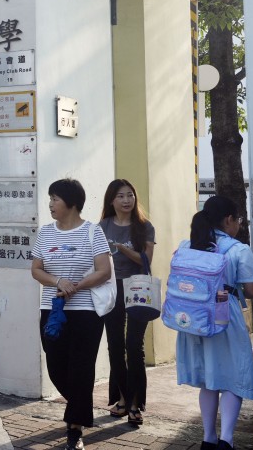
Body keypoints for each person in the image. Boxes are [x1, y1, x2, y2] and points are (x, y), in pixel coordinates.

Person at [30, 178, 112, 450]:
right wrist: (58, 282)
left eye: (55, 199)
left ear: (72, 203)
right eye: (50, 199)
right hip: (52, 310)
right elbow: (36, 270)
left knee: (81, 369)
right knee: (55, 367)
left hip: (86, 312)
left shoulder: (92, 232)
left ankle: (75, 430)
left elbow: (104, 271)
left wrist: (76, 286)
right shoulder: (45, 233)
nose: (51, 204)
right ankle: (79, 407)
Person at [175, 196, 253, 450]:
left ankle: (208, 438)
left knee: (209, 379)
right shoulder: (238, 250)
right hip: (225, 316)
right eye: (238, 220)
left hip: (192, 318)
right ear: (229, 220)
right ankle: (227, 440)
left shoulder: (186, 245)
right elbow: (252, 290)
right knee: (234, 376)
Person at [98, 179, 156, 426]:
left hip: (137, 289)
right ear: (112, 200)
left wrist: (121, 248)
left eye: (130, 195)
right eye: (120, 196)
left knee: (134, 346)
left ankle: (135, 404)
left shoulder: (144, 227)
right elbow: (95, 259)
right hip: (111, 289)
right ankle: (121, 398)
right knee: (115, 346)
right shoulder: (102, 226)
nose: (126, 200)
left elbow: (146, 260)